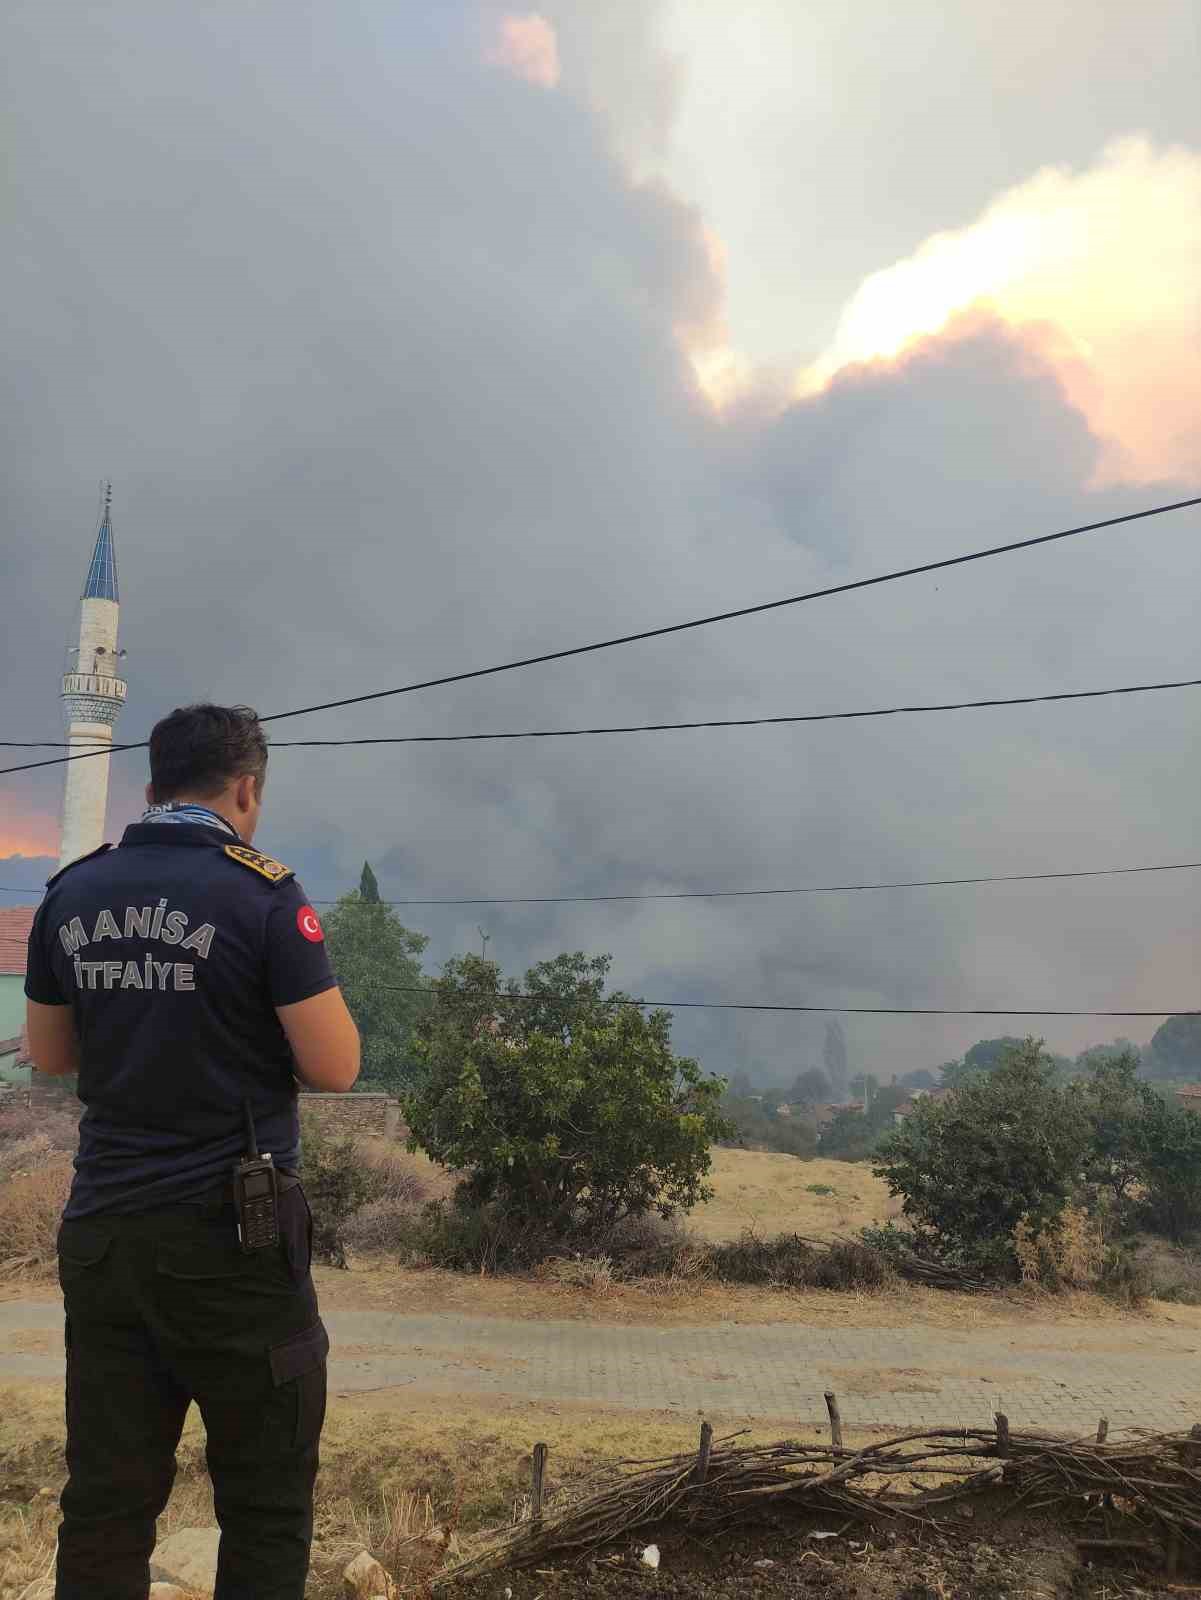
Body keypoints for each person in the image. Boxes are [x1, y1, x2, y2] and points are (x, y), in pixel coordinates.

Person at [24, 703, 360, 1600]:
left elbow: (51, 1059)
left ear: (150, 786)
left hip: (105, 1236)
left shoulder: (73, 890)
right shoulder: (260, 893)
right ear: (246, 788)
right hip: (233, 1247)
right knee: (264, 1501)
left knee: (106, 1501)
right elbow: (335, 1067)